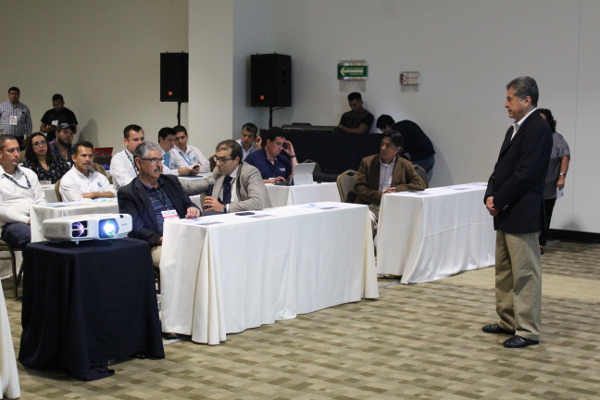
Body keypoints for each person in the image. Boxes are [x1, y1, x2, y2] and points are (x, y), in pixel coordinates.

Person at [483, 76, 552, 349]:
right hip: (506, 212)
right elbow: (500, 168)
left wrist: (499, 199)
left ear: (527, 100)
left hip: (522, 212)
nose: (506, 104)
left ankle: (528, 330)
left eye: (510, 99)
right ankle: (508, 321)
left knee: (525, 274)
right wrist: (490, 193)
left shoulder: (538, 128)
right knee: (504, 272)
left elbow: (525, 174)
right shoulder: (514, 129)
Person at [117, 141, 200, 267]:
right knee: (178, 259)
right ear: (138, 163)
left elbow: (188, 204)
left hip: (184, 237)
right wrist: (162, 240)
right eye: (154, 160)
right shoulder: (128, 193)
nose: (160, 165)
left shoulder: (171, 181)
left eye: (160, 160)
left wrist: (193, 209)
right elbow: (135, 228)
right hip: (157, 245)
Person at [354, 130, 426, 229]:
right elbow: (359, 188)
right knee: (367, 220)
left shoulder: (405, 164)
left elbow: (420, 184)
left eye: (388, 145)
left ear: (397, 149)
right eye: (382, 144)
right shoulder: (367, 162)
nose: (383, 148)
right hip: (371, 205)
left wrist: (397, 189)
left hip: (395, 207)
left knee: (414, 221)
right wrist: (381, 196)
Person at [183, 140, 271, 214]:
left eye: (223, 160)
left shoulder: (250, 172)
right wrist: (174, 183)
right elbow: (193, 188)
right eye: (217, 158)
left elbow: (257, 202)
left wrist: (224, 208)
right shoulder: (218, 171)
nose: (218, 163)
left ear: (236, 160)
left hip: (249, 218)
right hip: (222, 217)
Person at [0, 135, 46, 252]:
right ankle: (35, 265)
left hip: (34, 219)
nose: (16, 154)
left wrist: (42, 216)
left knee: (60, 231)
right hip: (11, 224)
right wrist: (27, 220)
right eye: (11, 151)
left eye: (18, 149)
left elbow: (40, 199)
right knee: (31, 236)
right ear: (0, 154)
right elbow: (1, 211)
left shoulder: (29, 173)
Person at [538, 108, 570, 255]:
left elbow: (565, 156)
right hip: (531, 184)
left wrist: (562, 176)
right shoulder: (530, 137)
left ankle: (541, 243)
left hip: (549, 184)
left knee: (545, 214)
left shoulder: (556, 138)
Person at [376, 115, 436, 180]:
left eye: (384, 131)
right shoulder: (406, 123)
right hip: (430, 157)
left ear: (387, 127)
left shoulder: (396, 133)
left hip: (421, 159)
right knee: (420, 182)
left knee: (410, 181)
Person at [110, 124, 145, 190]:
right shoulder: (118, 159)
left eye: (142, 139)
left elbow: (164, 173)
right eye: (136, 140)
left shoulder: (148, 156)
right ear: (126, 141)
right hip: (129, 194)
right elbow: (126, 182)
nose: (140, 143)